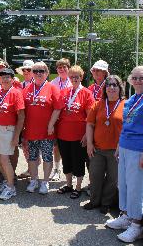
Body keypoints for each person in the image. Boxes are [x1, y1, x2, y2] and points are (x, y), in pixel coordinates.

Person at [105, 66, 143, 243]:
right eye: (135, 77)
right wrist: (118, 146)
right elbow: (126, 126)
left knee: (136, 188)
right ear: (131, 80)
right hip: (125, 148)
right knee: (122, 184)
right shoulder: (132, 99)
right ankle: (125, 216)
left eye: (142, 78)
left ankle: (136, 225)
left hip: (140, 150)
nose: (138, 81)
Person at [84, 75, 125, 214]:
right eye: (109, 85)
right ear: (105, 89)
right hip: (97, 149)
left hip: (116, 150)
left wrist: (120, 147)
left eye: (115, 85)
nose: (111, 88)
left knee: (112, 179)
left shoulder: (126, 105)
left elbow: (127, 129)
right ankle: (94, 201)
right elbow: (89, 125)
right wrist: (89, 144)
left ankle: (106, 203)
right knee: (95, 176)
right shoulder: (98, 104)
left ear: (120, 88)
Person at [22, 62, 63, 194]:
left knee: (47, 157)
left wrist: (51, 124)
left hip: (46, 131)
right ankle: (34, 180)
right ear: (32, 73)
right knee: (32, 157)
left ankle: (45, 182)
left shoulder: (52, 88)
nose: (38, 73)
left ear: (47, 73)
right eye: (35, 71)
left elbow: (58, 108)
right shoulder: (27, 89)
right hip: (30, 130)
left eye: (42, 71)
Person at [56, 65, 94, 199]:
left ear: (81, 77)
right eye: (71, 77)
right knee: (66, 160)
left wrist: (86, 135)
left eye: (76, 77)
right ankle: (68, 184)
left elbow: (90, 117)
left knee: (78, 161)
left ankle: (78, 187)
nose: (74, 79)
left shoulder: (86, 93)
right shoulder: (64, 92)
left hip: (79, 135)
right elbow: (58, 111)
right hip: (63, 133)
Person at [0, 68, 25, 200]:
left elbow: (21, 116)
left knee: (4, 158)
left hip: (7, 130)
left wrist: (17, 136)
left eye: (7, 77)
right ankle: (6, 181)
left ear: (12, 79)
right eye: (2, 77)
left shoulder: (16, 93)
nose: (4, 79)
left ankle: (11, 187)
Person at [50, 58, 73, 181]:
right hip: (57, 118)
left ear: (68, 68)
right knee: (56, 146)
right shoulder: (53, 83)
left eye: (64, 67)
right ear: (57, 69)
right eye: (60, 67)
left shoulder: (73, 81)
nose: (62, 69)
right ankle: (57, 169)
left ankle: (71, 171)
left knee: (70, 146)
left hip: (69, 118)